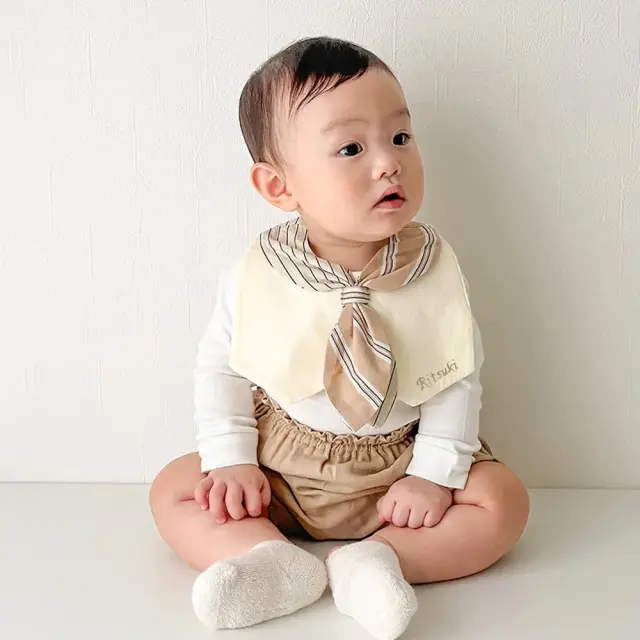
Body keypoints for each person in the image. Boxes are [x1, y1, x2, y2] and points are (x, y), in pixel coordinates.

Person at [149, 36, 530, 640]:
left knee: (503, 501)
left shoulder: (434, 269)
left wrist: (432, 474)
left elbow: (456, 375)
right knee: (175, 487)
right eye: (351, 148)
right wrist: (232, 459)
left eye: (400, 137)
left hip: (399, 466)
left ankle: (380, 561)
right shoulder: (259, 273)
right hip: (281, 466)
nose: (389, 163)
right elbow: (221, 367)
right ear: (280, 187)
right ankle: (269, 560)